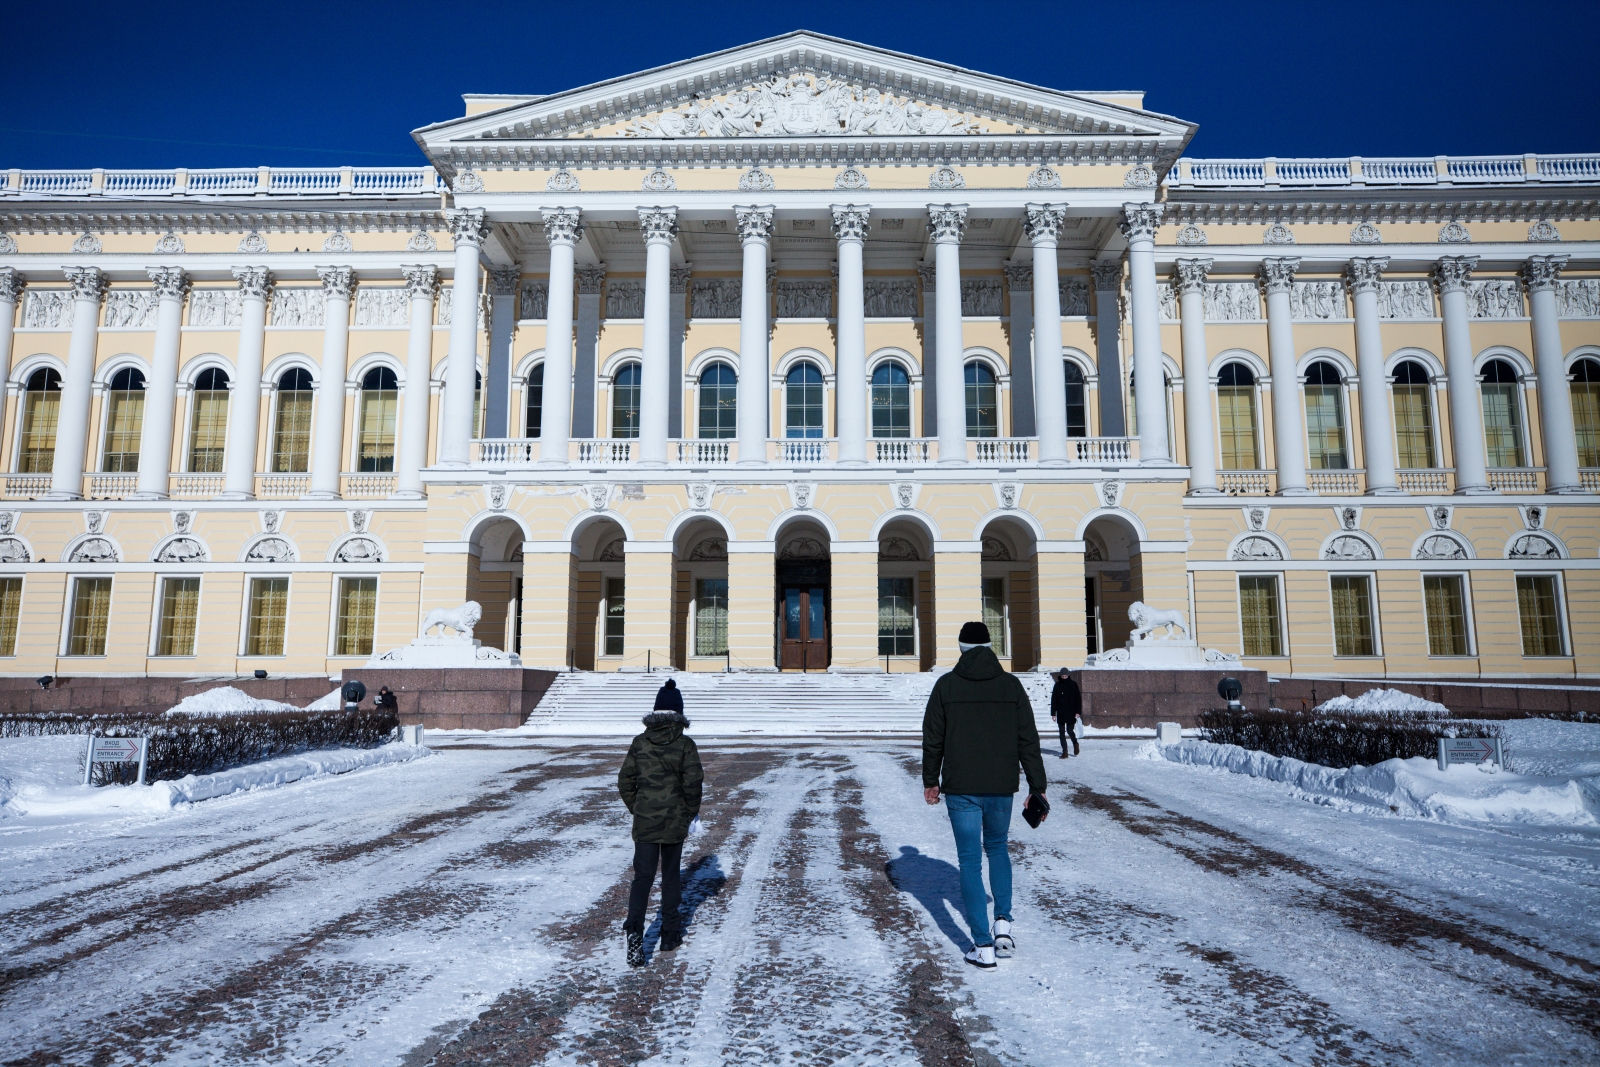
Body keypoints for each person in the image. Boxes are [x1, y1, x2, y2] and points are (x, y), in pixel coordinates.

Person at [923, 622, 1048, 970]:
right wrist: (1037, 786)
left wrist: (931, 780)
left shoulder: (946, 686)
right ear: (991, 647)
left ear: (961, 648)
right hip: (1000, 787)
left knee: (969, 861)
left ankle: (982, 945)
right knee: (997, 849)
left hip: (961, 787)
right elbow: (1028, 739)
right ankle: (1003, 925)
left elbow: (932, 738)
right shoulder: (1011, 685)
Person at [617, 678, 703, 968]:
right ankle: (669, 934)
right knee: (670, 876)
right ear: (678, 713)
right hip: (673, 822)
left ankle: (634, 936)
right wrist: (688, 813)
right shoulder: (684, 744)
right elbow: (694, 784)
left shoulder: (640, 742)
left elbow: (625, 780)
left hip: (645, 822)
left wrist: (638, 808)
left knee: (642, 878)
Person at [1049, 671, 1082, 759]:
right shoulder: (1057, 685)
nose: (1064, 677)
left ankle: (1075, 743)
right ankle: (1065, 752)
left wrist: (1078, 711)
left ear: (1068, 675)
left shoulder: (1073, 684)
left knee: (1070, 730)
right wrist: (1053, 713)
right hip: (1061, 712)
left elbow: (1078, 699)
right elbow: (1054, 700)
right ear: (1060, 675)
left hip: (1071, 712)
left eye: (1065, 675)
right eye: (1063, 675)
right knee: (1061, 732)